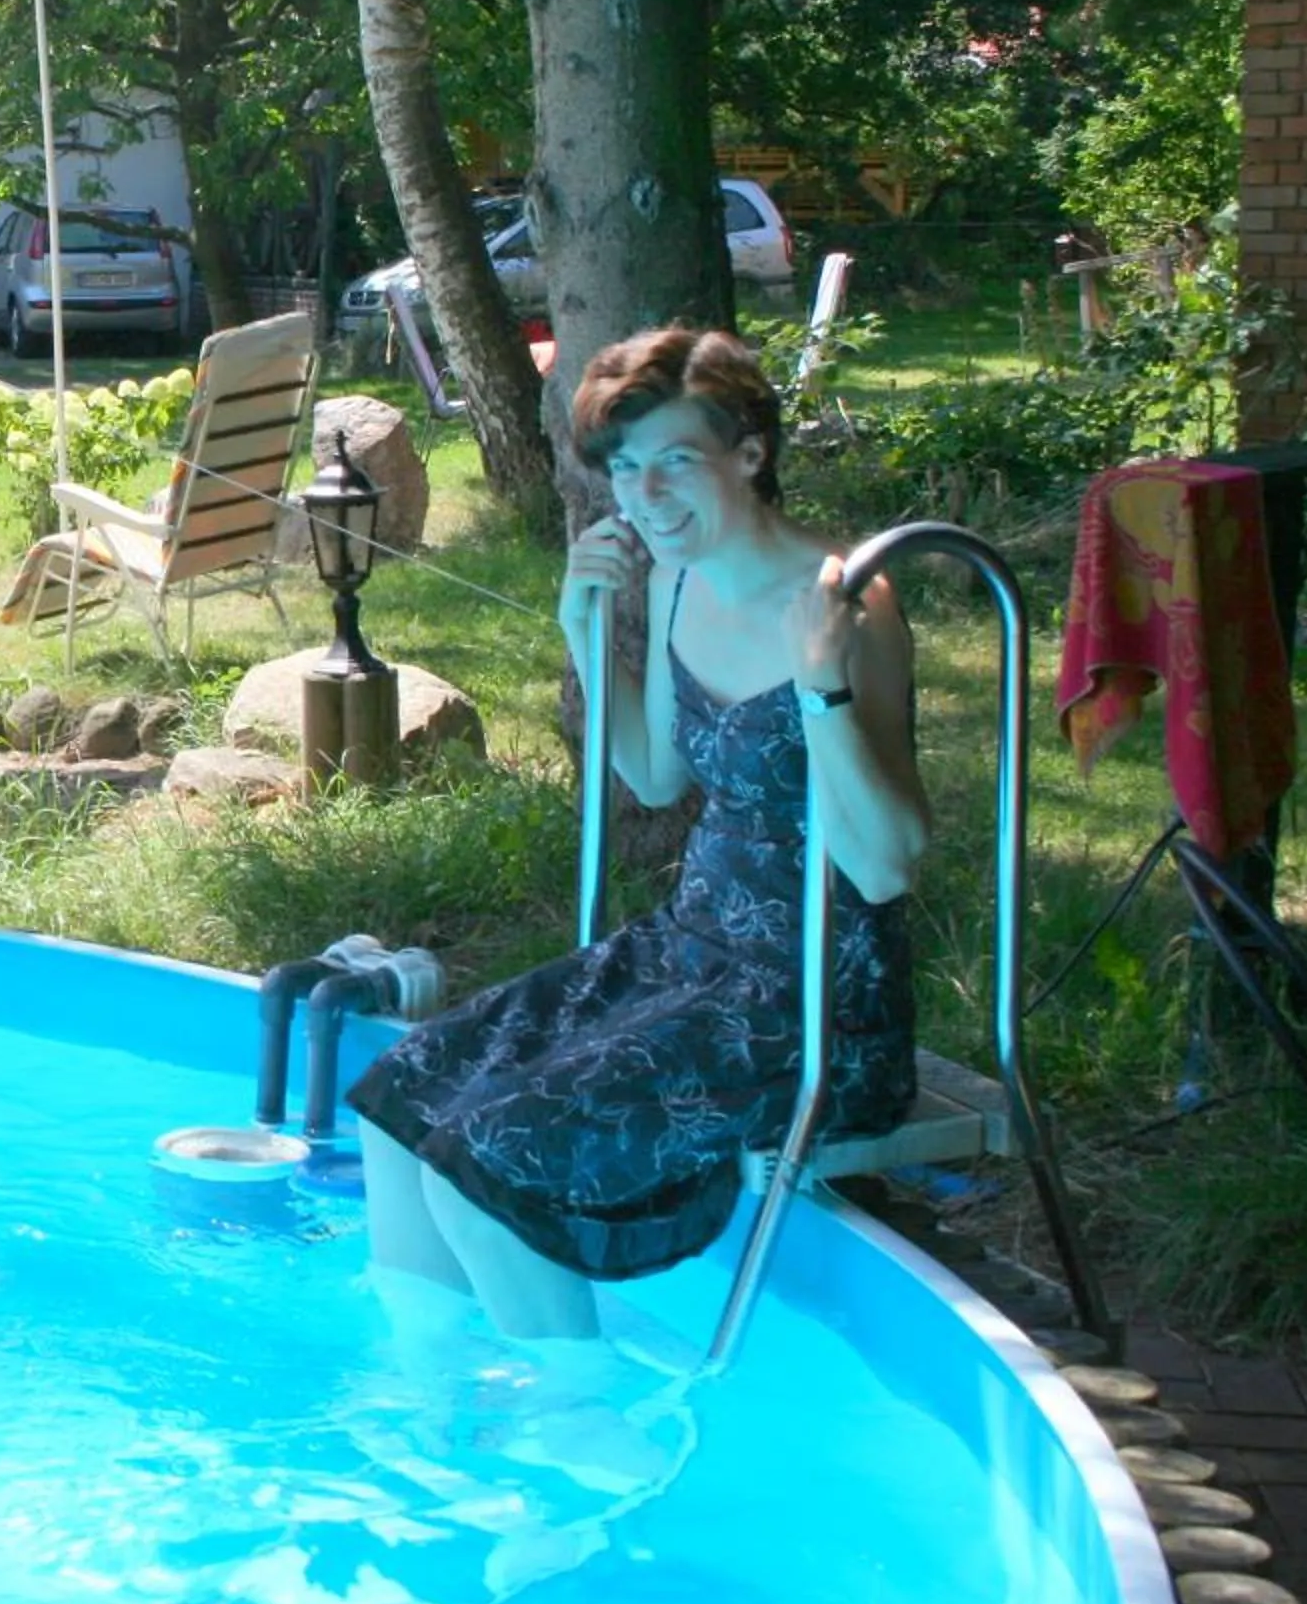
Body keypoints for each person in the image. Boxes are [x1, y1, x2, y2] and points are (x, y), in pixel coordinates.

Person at [349, 326, 931, 1341]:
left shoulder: (845, 605)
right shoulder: (677, 576)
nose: (646, 495)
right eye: (625, 469)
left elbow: (885, 866)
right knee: (399, 1101)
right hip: (691, 951)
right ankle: (430, 1409)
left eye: (675, 461)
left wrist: (822, 687)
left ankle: (574, 1436)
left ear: (749, 453)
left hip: (816, 999)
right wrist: (585, 622)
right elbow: (658, 773)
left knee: (490, 1164)